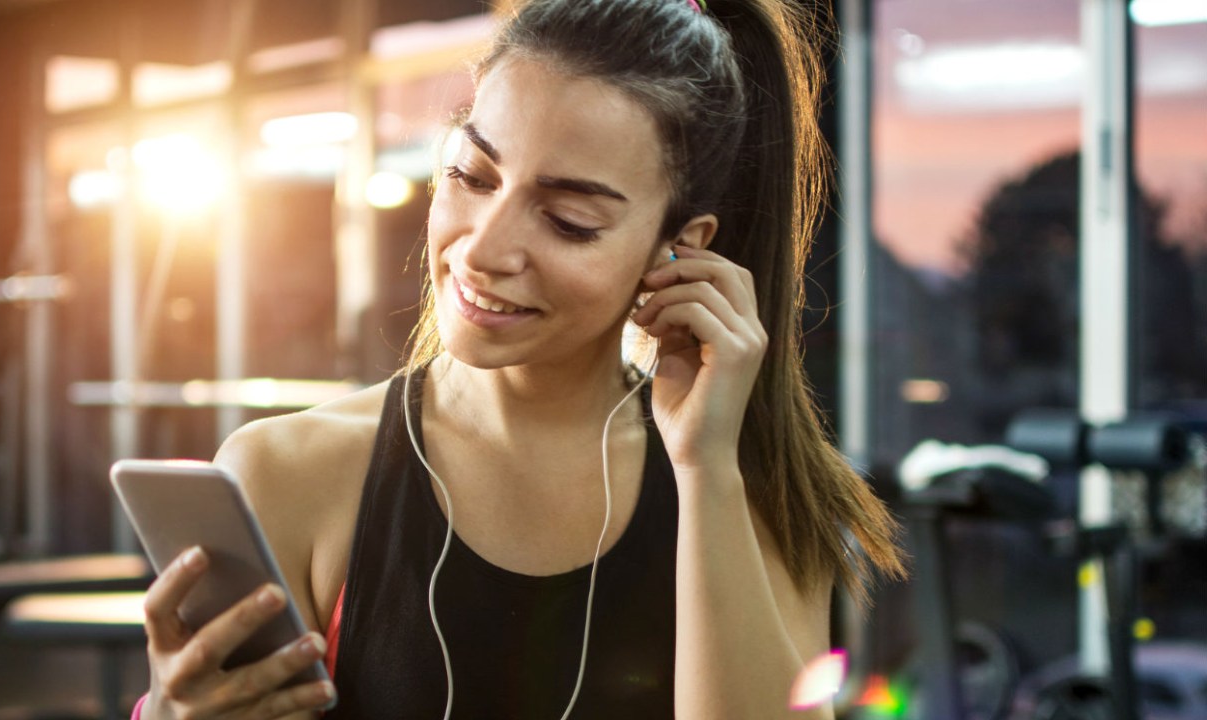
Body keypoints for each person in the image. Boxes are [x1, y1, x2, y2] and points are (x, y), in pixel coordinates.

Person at [134, 0, 904, 717]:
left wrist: (704, 469)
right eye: (471, 176)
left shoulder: (756, 493)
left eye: (568, 222)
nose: (484, 249)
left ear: (677, 251)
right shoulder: (287, 473)